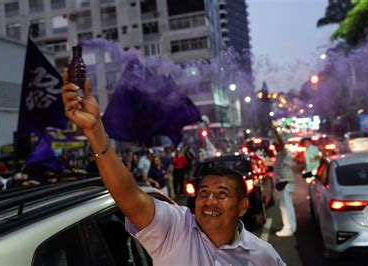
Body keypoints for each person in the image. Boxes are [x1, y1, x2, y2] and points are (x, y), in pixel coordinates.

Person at [61, 71, 285, 265]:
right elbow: (129, 195)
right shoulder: (175, 229)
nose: (209, 201)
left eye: (221, 194)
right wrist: (95, 130)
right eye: (204, 192)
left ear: (243, 206)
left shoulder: (264, 256)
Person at [271, 126, 296, 237]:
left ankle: (288, 228)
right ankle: (292, 226)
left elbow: (281, 142)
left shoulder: (284, 153)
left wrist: (276, 131)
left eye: (276, 145)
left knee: (285, 207)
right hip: (285, 183)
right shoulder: (280, 155)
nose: (275, 147)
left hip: (286, 182)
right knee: (286, 206)